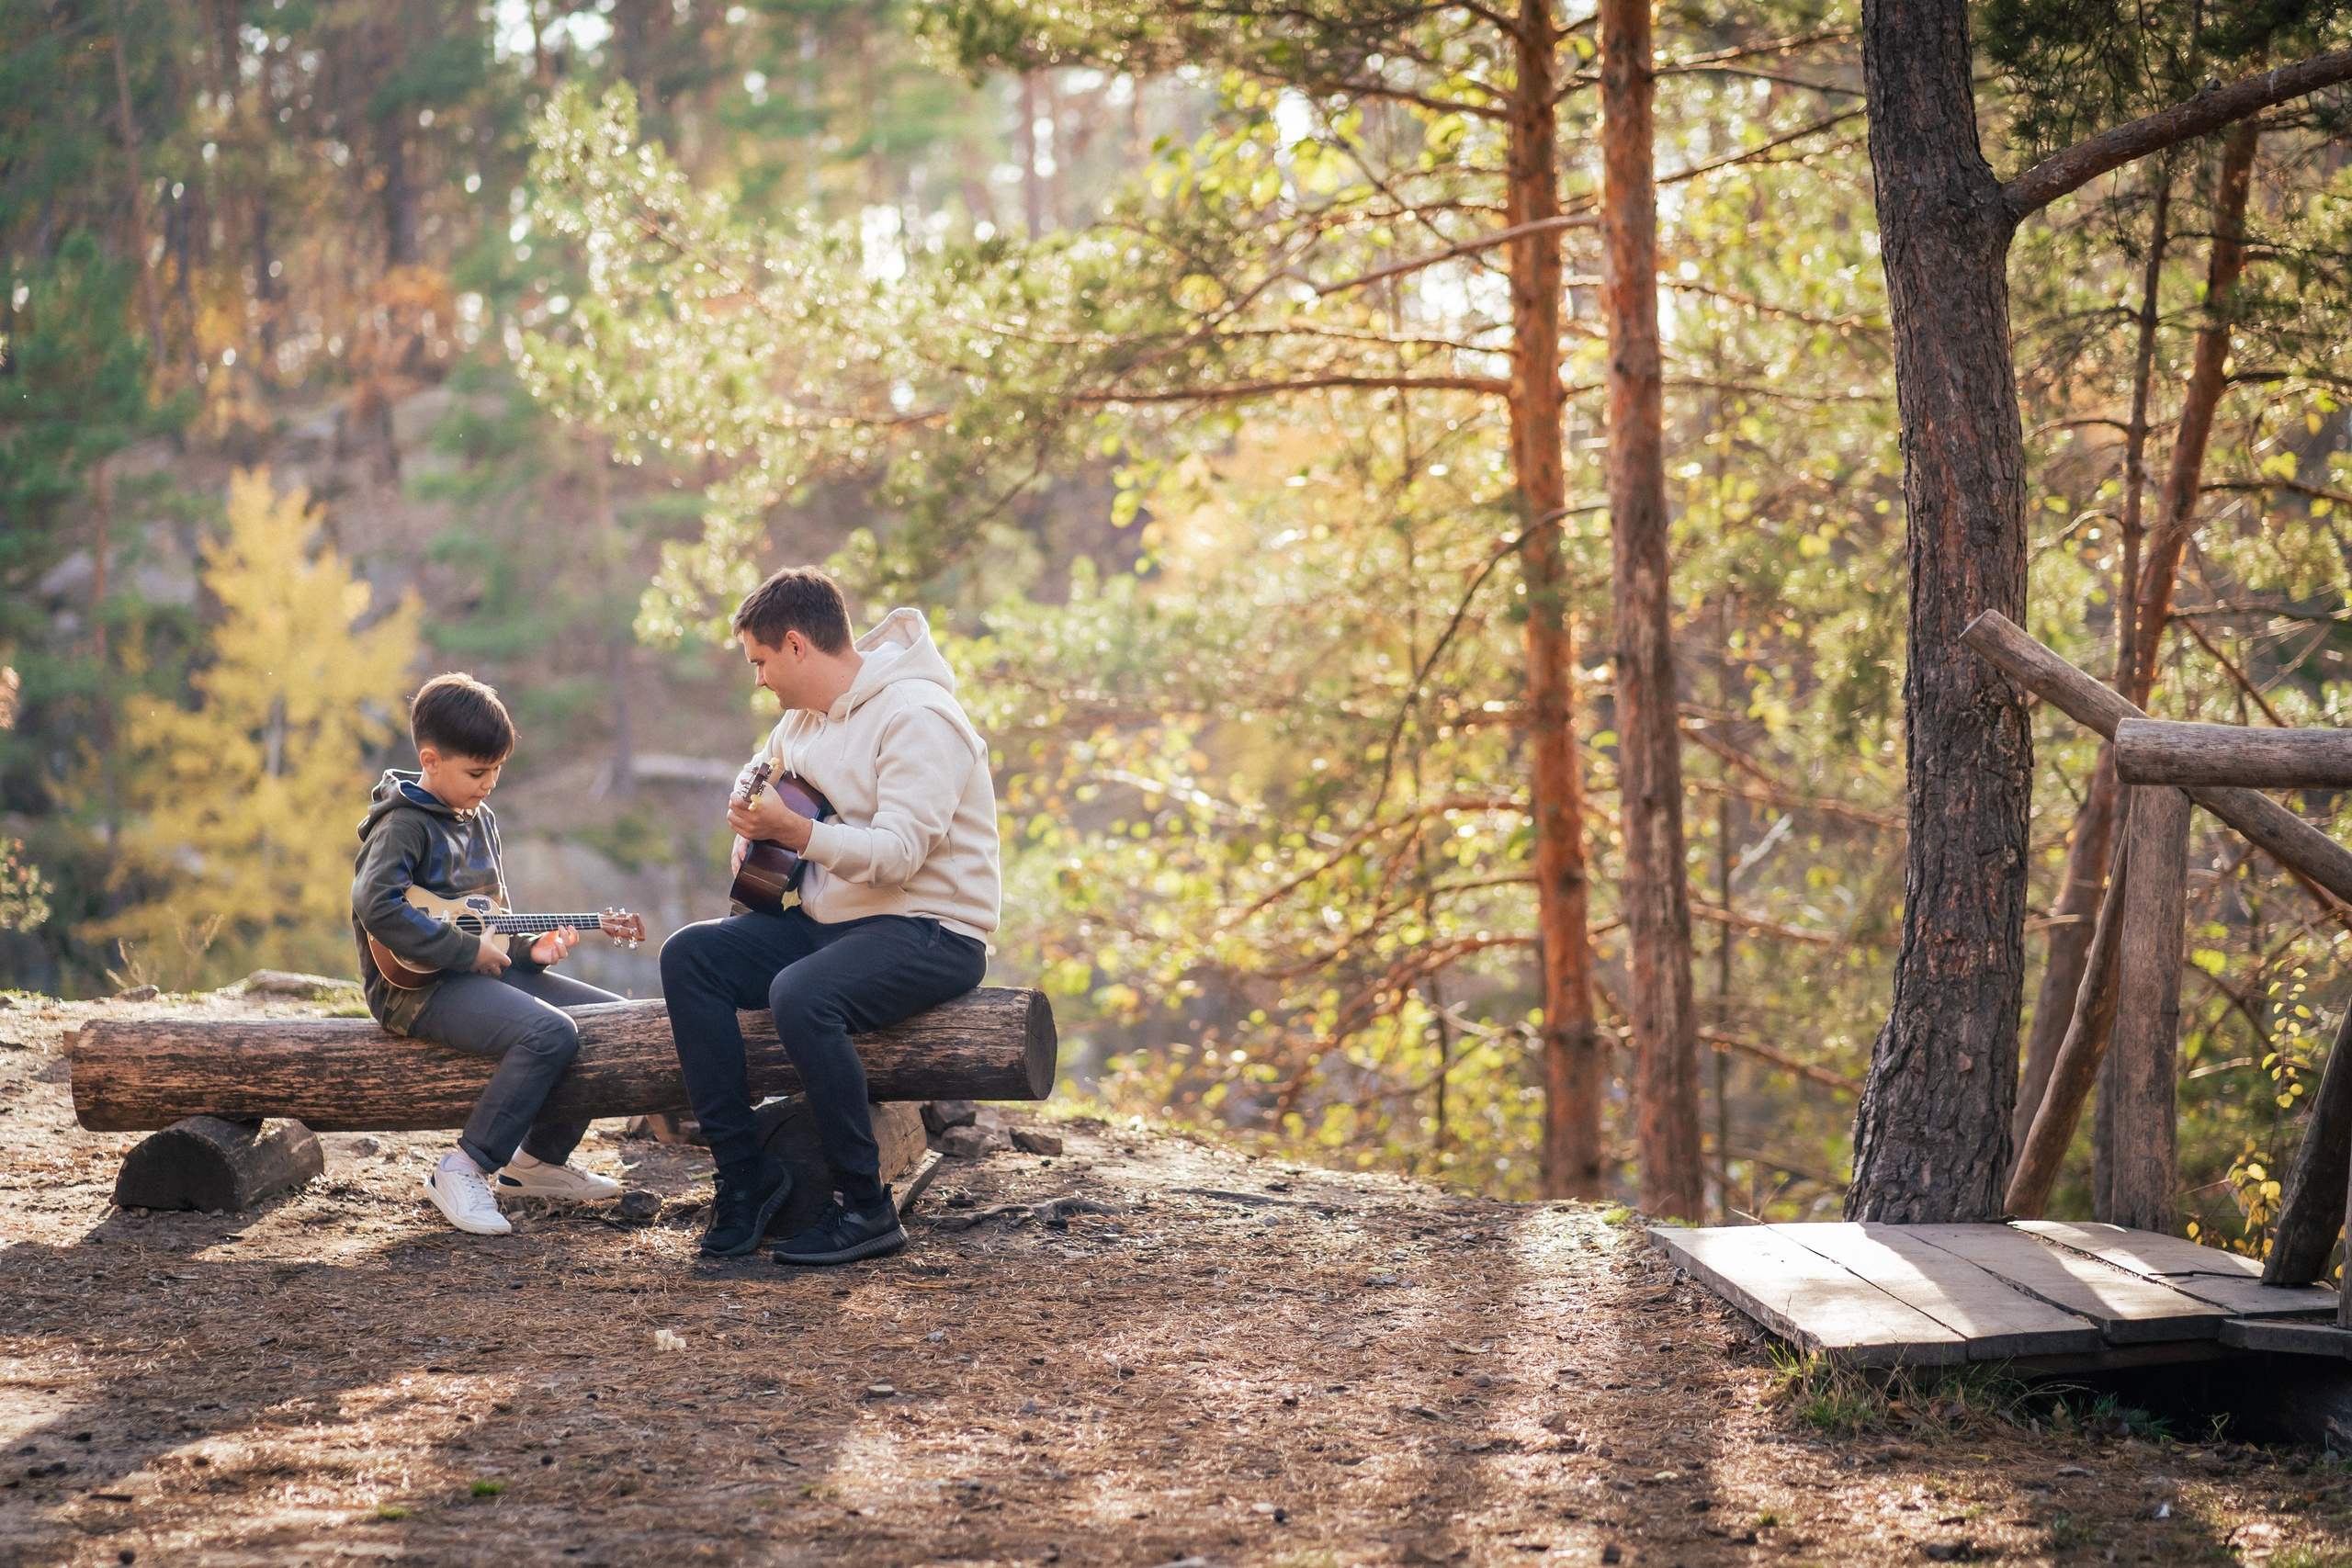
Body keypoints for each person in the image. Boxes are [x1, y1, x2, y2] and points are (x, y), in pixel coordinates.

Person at [662, 568, 999, 1265]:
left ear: (795, 647)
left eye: (759, 662)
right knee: (690, 956)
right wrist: (748, 827)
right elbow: (758, 781)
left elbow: (903, 854)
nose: (758, 681)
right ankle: (745, 1176)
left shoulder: (919, 716)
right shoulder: (800, 720)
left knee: (801, 992)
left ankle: (864, 1207)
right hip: (833, 924)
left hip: (930, 928)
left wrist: (796, 835)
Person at [352, 672, 625, 1236]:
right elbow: (376, 905)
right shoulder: (402, 826)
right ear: (430, 760)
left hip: (473, 975)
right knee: (549, 1033)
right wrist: (459, 949)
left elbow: (493, 922)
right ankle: (463, 1167)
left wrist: (534, 951)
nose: (489, 784)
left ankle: (538, 1164)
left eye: (497, 770)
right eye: (477, 772)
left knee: (612, 1020)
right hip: (414, 987)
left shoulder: (483, 821)